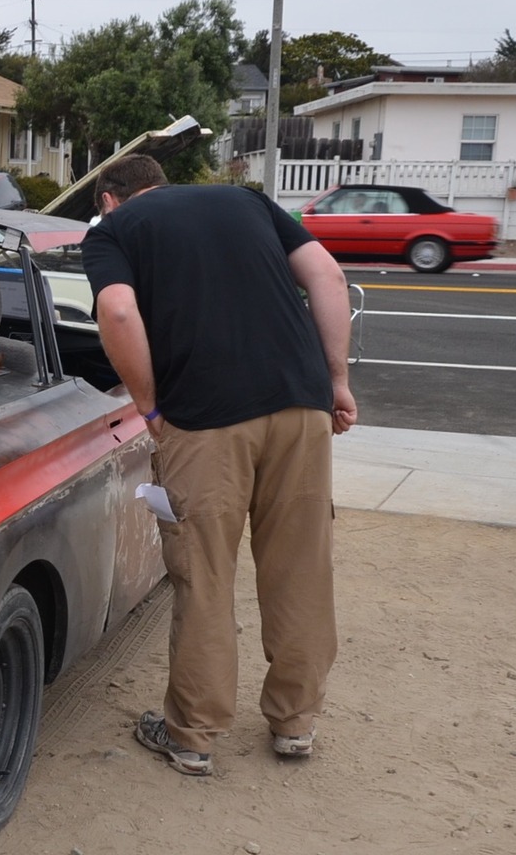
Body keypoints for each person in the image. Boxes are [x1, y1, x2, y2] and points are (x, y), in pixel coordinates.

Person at [80, 155, 357, 777]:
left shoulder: (114, 232)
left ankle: (194, 737)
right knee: (302, 567)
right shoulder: (248, 200)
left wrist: (150, 409)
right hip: (301, 407)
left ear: (108, 199)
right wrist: (335, 380)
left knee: (204, 574)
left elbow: (119, 314)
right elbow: (329, 278)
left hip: (204, 422)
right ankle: (295, 724)